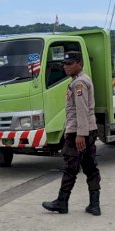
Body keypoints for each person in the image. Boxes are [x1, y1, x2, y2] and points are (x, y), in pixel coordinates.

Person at [42, 51, 101, 216]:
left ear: (79, 64)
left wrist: (80, 134)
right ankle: (94, 205)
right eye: (64, 64)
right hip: (87, 129)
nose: (66, 67)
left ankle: (62, 202)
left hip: (79, 131)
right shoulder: (80, 80)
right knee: (90, 167)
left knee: (70, 167)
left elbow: (81, 110)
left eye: (69, 63)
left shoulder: (79, 83)